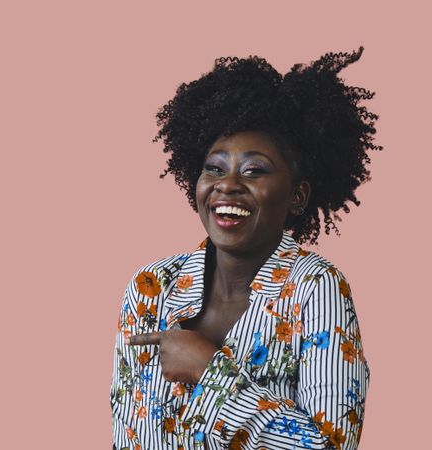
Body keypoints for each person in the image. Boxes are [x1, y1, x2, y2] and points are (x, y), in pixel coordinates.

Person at [110, 47, 379, 450]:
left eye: (254, 170)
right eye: (214, 169)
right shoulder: (150, 288)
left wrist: (208, 371)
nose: (228, 185)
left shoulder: (317, 290)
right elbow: (128, 433)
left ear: (297, 196)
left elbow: (332, 446)